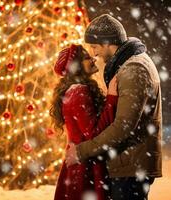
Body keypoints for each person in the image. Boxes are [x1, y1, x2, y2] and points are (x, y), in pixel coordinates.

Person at [65, 14, 162, 200]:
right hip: (129, 164)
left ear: (107, 42)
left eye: (94, 46)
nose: (93, 53)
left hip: (131, 166)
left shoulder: (133, 69)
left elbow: (122, 128)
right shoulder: (130, 64)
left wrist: (81, 151)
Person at [50, 44, 118, 200]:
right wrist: (112, 99)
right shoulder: (79, 91)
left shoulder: (73, 90)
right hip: (85, 168)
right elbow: (94, 132)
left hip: (79, 166)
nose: (93, 59)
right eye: (87, 58)